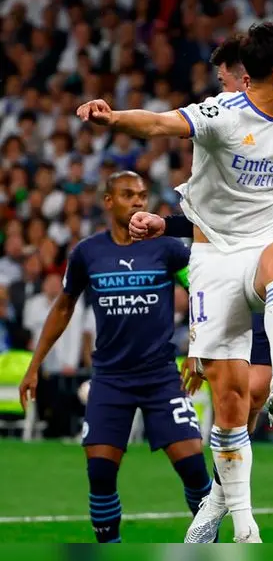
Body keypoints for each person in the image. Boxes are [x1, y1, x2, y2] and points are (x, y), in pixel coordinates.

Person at [78, 20, 273, 543]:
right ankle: (242, 524)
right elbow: (157, 125)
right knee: (228, 403)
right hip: (213, 260)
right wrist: (111, 119)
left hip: (265, 247)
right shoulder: (222, 115)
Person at [17, 172, 212, 543]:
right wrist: (33, 365)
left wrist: (198, 350)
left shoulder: (168, 248)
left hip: (160, 377)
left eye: (142, 195)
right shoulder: (88, 253)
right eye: (128, 195)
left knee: (193, 469)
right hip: (110, 380)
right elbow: (62, 308)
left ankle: (210, 545)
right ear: (109, 202)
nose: (138, 201)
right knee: (101, 476)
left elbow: (202, 291)